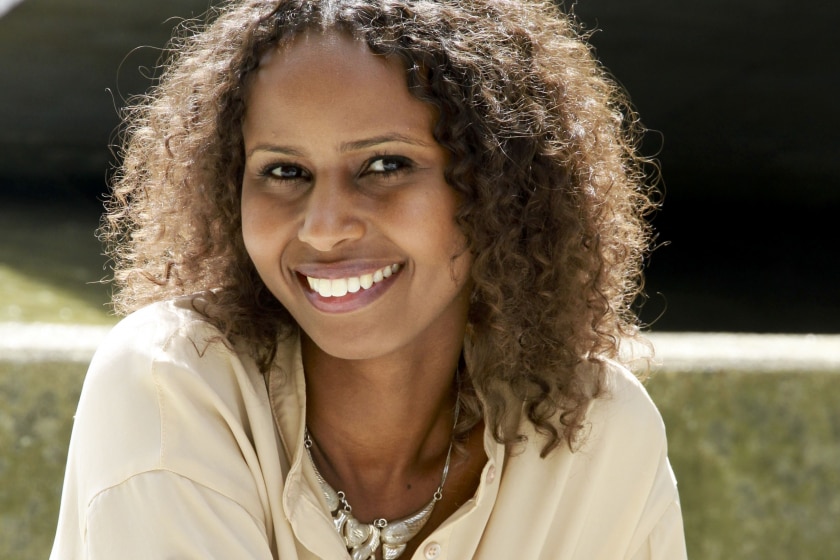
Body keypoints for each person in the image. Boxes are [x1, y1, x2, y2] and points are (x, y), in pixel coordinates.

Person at [51, 0, 686, 558]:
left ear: (500, 189)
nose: (323, 229)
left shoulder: (597, 437)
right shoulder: (169, 383)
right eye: (283, 172)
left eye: (385, 165)